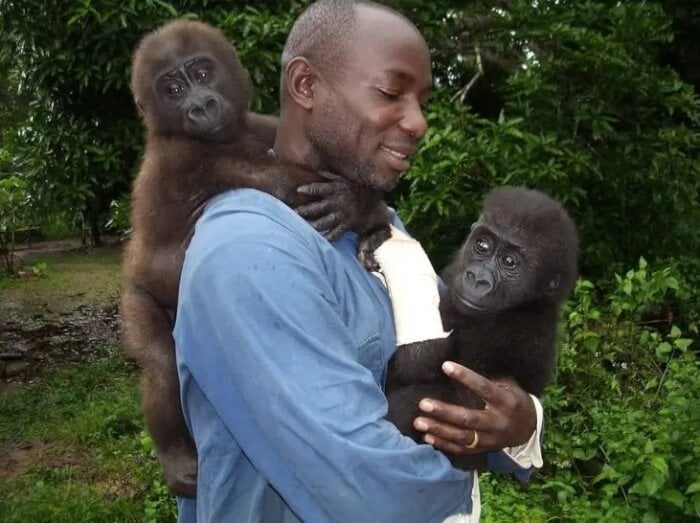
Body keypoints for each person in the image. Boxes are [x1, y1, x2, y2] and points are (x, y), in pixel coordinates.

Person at [173, 1, 543, 521]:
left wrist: (522, 425)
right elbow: (368, 489)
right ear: (305, 85)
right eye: (392, 93)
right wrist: (473, 467)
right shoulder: (249, 252)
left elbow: (453, 361)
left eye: (422, 101)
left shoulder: (378, 222)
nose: (419, 123)